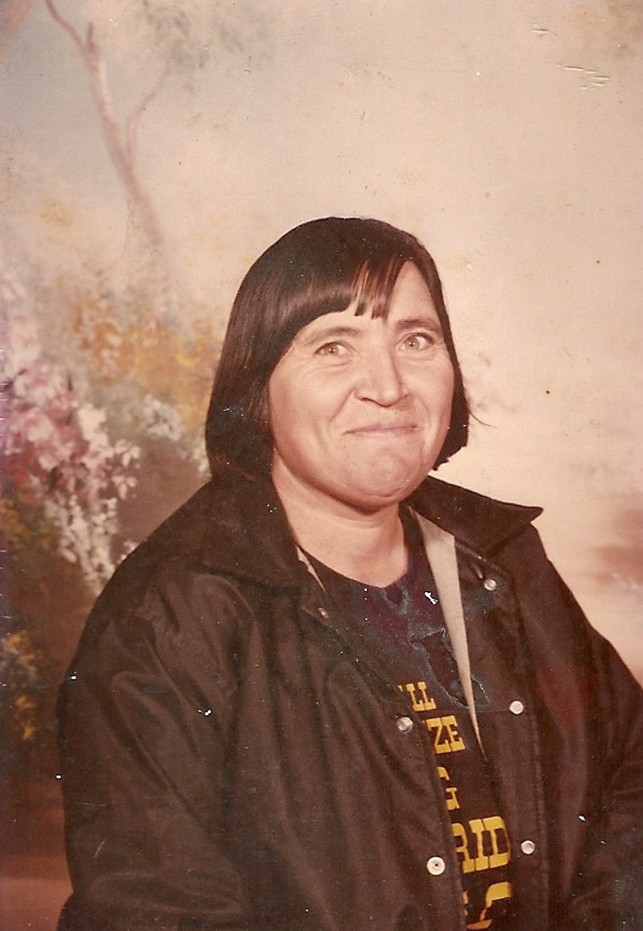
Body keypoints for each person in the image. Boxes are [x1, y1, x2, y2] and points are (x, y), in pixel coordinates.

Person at [57, 217, 643, 931]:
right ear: (257, 389)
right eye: (334, 347)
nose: (388, 386)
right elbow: (153, 911)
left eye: (415, 340)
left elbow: (632, 775)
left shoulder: (502, 561)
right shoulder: (168, 619)